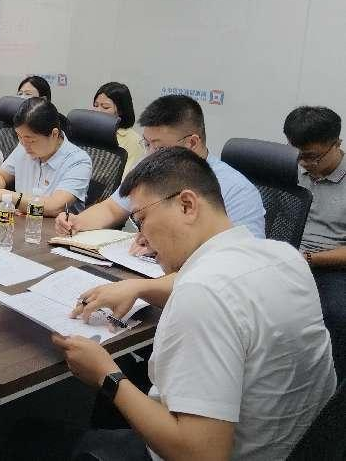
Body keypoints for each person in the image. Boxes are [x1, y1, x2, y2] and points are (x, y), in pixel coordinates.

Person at [55, 148, 335, 460]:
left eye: (142, 219)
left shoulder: (202, 293)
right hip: (290, 444)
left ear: (187, 205)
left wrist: (105, 375)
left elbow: (202, 454)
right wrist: (140, 289)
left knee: (37, 435)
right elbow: (227, 295)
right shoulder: (285, 256)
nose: (141, 237)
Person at [56, 94, 265, 244]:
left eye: (160, 148)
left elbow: (242, 258)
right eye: (147, 144)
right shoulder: (149, 167)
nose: (150, 155)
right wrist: (76, 222)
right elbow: (112, 208)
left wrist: (165, 246)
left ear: (192, 143)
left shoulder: (237, 190)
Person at [283, 105, 346, 378]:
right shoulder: (288, 169)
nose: (304, 163)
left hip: (328, 265)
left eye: (312, 157)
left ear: (337, 144)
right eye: (297, 155)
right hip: (283, 256)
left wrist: (309, 258)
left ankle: (332, 385)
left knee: (337, 314)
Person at [0, 98, 91, 217]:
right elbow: (1, 174)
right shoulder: (24, 146)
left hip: (51, 227)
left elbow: (55, 207)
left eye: (31, 140)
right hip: (19, 222)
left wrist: (2, 195)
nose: (23, 144)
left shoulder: (78, 161)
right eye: (19, 136)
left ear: (54, 134)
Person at [93, 82, 144, 179]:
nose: (98, 111)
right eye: (96, 105)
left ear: (121, 111)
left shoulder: (134, 141)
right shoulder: (88, 132)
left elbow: (127, 179)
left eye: (105, 107)